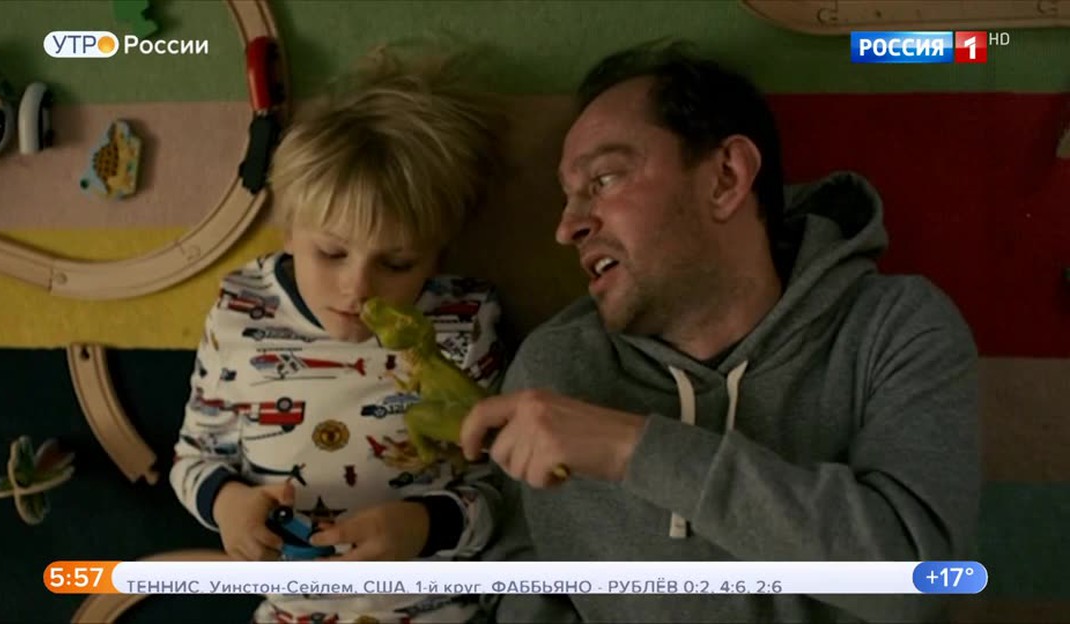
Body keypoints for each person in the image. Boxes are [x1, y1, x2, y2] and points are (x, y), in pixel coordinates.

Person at [461, 40, 980, 623]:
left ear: (726, 177)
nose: (567, 227)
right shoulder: (553, 371)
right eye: (569, 196)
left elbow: (923, 582)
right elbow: (524, 582)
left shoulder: (894, 327)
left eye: (603, 179)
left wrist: (633, 449)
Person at [170, 47, 505, 624]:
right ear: (290, 231)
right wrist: (229, 505)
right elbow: (192, 457)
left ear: (437, 255)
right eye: (330, 253)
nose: (358, 289)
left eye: (397, 264)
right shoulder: (241, 311)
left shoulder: (463, 320)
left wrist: (422, 525)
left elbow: (502, 490)